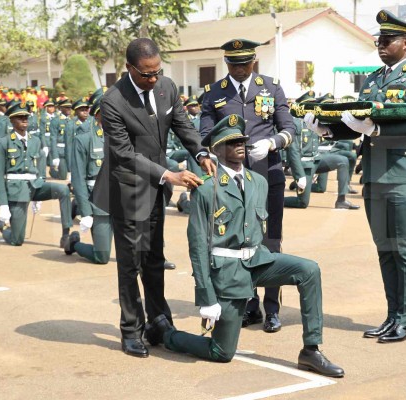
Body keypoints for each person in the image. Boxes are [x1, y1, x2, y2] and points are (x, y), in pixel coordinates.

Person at [148, 114, 344, 378]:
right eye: (231, 142)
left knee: (309, 270)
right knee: (222, 352)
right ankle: (167, 333)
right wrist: (206, 296)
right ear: (216, 149)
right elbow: (197, 245)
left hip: (258, 261)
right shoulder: (206, 189)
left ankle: (311, 349)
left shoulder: (258, 182)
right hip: (227, 272)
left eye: (241, 140)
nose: (239, 145)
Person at [305, 10, 406, 343]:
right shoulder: (374, 79)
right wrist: (326, 129)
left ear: (405, 43)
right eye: (379, 39)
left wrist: (375, 127)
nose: (381, 44)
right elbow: (356, 121)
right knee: (384, 248)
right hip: (376, 175)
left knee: (403, 248)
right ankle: (392, 316)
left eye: (388, 40)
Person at [90, 38, 216, 358]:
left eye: (158, 71)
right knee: (131, 264)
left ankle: (158, 322)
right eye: (146, 74)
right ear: (130, 69)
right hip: (128, 189)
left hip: (157, 190)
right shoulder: (113, 101)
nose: (154, 79)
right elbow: (123, 153)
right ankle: (131, 330)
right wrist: (168, 174)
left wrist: (200, 152)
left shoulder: (167, 87)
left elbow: (182, 124)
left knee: (154, 259)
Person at [200, 39, 295, 333]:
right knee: (239, 241)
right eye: (234, 64)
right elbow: (205, 134)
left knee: (271, 241)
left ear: (254, 61)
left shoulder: (272, 87)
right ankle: (248, 304)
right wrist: (215, 153)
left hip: (268, 172)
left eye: (245, 63)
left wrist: (272, 143)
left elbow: (288, 127)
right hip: (232, 177)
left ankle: (272, 308)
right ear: (226, 63)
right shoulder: (213, 93)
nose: (240, 69)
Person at [0, 102, 73, 246]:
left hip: (34, 186)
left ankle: (66, 235)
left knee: (63, 190)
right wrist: (3, 205)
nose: (24, 119)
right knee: (17, 240)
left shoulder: (35, 141)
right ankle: (3, 227)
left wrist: (40, 188)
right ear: (11, 120)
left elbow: (39, 167)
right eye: (20, 117)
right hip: (16, 191)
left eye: (26, 116)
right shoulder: (3, 143)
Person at [65, 97, 113, 263]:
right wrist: (86, 212)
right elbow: (78, 178)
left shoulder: (125, 136)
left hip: (123, 199)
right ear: (98, 115)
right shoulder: (84, 139)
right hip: (99, 201)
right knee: (102, 256)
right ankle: (74, 244)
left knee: (135, 252)